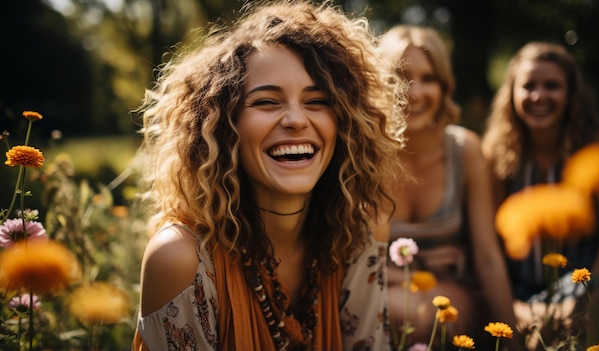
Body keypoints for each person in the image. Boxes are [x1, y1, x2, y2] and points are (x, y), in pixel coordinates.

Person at [130, 1, 407, 350]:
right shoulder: (181, 261)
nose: (295, 119)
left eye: (317, 100)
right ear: (221, 127)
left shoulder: (360, 232)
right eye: (266, 102)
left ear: (345, 121)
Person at [378, 25, 518, 349]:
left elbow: (487, 257)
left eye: (429, 79)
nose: (415, 92)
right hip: (380, 286)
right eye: (401, 77)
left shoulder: (464, 149)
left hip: (450, 292)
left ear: (443, 86)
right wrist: (404, 276)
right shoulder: (366, 153)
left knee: (409, 315)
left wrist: (513, 337)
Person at [482, 41, 599, 347]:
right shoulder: (495, 157)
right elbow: (491, 243)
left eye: (552, 86)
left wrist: (589, 295)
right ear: (512, 94)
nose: (538, 96)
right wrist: (512, 308)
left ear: (571, 94)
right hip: (520, 292)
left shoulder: (598, 151)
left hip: (589, 285)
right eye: (528, 86)